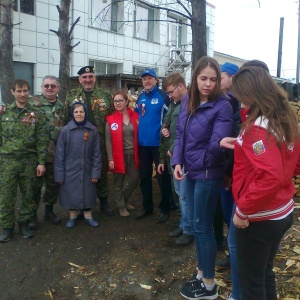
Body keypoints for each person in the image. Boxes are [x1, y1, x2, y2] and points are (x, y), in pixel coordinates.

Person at [220, 66, 300, 300]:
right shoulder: (282, 119)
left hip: (260, 216)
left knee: (251, 283)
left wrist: (243, 211)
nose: (239, 101)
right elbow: (290, 163)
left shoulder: (258, 128)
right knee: (264, 273)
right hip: (282, 211)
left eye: (240, 95)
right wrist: (243, 146)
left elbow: (269, 176)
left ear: (252, 94)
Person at [172, 56, 233, 299]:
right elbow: (180, 135)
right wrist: (178, 161)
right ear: (195, 77)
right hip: (189, 171)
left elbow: (216, 144)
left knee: (203, 227)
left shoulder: (223, 105)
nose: (208, 84)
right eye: (203, 78)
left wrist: (194, 163)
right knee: (198, 227)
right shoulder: (188, 99)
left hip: (208, 173)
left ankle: (208, 285)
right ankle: (201, 272)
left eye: (213, 79)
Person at [0, 79, 49, 242]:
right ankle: (7, 227)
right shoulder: (4, 112)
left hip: (29, 160)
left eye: (25, 91)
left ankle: (24, 223)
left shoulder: (36, 114)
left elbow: (42, 139)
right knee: (6, 196)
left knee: (28, 194)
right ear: (12, 92)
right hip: (7, 161)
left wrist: (41, 162)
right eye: (19, 91)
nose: (22, 94)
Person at [65, 66, 114, 216]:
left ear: (95, 78)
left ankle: (104, 203)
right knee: (83, 174)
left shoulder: (105, 95)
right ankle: (82, 205)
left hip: (100, 140)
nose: (88, 79)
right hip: (79, 143)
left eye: (90, 76)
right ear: (80, 79)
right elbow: (67, 118)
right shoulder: (71, 95)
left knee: (102, 172)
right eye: (84, 77)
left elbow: (111, 117)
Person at [158, 72, 194, 246]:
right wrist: (164, 129)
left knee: (185, 194)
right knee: (180, 193)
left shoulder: (190, 104)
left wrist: (173, 149)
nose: (169, 96)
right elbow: (170, 125)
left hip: (182, 156)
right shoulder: (175, 104)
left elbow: (187, 132)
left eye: (171, 92)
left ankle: (189, 229)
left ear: (181, 86)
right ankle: (184, 223)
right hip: (175, 156)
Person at [135, 68, 173, 223]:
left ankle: (165, 208)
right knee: (144, 177)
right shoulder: (140, 97)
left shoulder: (163, 96)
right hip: (143, 144)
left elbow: (171, 116)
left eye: (150, 78)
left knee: (162, 178)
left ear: (156, 80)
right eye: (144, 79)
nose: (147, 81)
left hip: (158, 145)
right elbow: (139, 117)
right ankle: (147, 207)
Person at [54, 102, 101, 228]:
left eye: (81, 112)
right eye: (76, 112)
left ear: (85, 114)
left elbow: (97, 154)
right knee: (71, 193)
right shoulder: (65, 131)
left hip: (87, 168)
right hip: (70, 169)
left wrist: (95, 172)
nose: (79, 114)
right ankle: (72, 216)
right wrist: (59, 175)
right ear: (72, 114)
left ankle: (88, 216)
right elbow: (59, 154)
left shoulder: (92, 130)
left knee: (87, 192)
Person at [27, 75, 65, 229]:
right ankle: (32, 216)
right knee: (34, 187)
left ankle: (49, 211)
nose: (49, 88)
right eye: (46, 86)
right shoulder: (32, 104)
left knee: (52, 185)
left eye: (53, 86)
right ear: (42, 87)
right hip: (36, 154)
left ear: (58, 88)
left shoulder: (63, 106)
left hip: (55, 154)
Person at [105, 90, 139, 217]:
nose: (118, 103)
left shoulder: (135, 116)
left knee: (134, 180)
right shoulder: (110, 119)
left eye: (120, 100)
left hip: (133, 154)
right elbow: (108, 142)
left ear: (126, 101)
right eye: (115, 101)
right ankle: (121, 206)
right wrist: (110, 159)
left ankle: (123, 200)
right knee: (118, 182)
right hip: (118, 155)